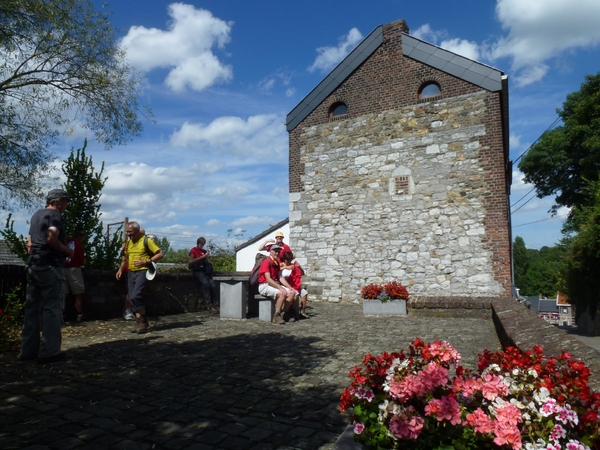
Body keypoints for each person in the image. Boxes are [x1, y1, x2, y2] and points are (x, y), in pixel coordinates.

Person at [19, 189, 74, 363]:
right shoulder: (55, 215)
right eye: (66, 202)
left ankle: (28, 351)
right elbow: (51, 238)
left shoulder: (36, 216)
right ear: (59, 201)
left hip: (33, 264)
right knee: (52, 309)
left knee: (32, 309)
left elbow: (30, 242)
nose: (66, 205)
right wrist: (68, 251)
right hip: (50, 265)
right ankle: (50, 352)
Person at [116, 222, 164, 333]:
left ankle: (142, 321)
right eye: (127, 232)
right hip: (131, 272)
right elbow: (126, 257)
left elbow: (160, 254)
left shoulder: (147, 241)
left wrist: (146, 261)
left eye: (130, 232)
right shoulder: (129, 243)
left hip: (142, 271)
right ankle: (140, 321)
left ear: (137, 231)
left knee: (136, 295)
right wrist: (120, 269)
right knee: (132, 297)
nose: (128, 234)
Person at [257, 244, 296, 324]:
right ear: (271, 252)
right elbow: (268, 279)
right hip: (264, 285)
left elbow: (280, 277)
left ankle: (284, 313)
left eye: (278, 252)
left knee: (291, 293)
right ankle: (276, 315)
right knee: (282, 293)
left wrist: (289, 287)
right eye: (275, 251)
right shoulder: (266, 262)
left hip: (272, 285)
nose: (277, 253)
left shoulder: (276, 262)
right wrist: (280, 288)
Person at [189, 237, 218, 312]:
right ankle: (209, 305)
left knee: (213, 285)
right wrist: (202, 257)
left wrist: (206, 257)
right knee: (206, 284)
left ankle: (216, 304)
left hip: (205, 270)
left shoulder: (203, 251)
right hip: (198, 270)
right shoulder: (193, 251)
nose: (202, 246)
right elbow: (191, 261)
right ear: (198, 243)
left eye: (203, 245)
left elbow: (206, 260)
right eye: (201, 244)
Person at [279, 251, 309, 318]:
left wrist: (299, 267)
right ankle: (291, 311)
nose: (289, 261)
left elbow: (302, 273)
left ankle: (302, 311)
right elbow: (277, 270)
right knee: (295, 294)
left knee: (304, 293)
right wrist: (285, 267)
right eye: (288, 260)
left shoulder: (293, 265)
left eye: (290, 260)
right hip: (285, 285)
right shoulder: (282, 264)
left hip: (294, 285)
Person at [64, 232, 86, 322]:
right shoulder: (77, 244)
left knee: (63, 294)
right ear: (80, 238)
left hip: (63, 269)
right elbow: (82, 261)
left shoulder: (65, 243)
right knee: (77, 293)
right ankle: (79, 314)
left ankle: (61, 314)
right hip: (74, 269)